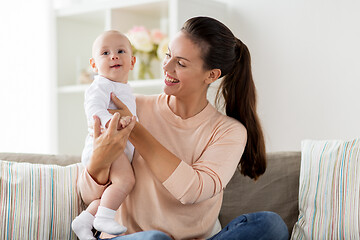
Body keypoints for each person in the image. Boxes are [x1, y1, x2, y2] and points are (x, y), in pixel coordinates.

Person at [78, 17, 289, 240]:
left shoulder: (228, 132)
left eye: (181, 63)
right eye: (168, 55)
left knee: (270, 225)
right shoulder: (128, 105)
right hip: (133, 238)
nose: (167, 67)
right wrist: (103, 153)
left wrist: (135, 129)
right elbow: (88, 194)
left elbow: (192, 190)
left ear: (212, 75)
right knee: (155, 239)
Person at [72, 30, 137, 240]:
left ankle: (84, 222)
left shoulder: (124, 88)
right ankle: (103, 220)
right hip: (104, 144)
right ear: (93, 65)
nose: (114, 56)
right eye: (105, 53)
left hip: (116, 146)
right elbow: (93, 111)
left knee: (109, 192)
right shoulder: (100, 85)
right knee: (126, 181)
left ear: (132, 62)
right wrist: (114, 121)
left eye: (120, 51)